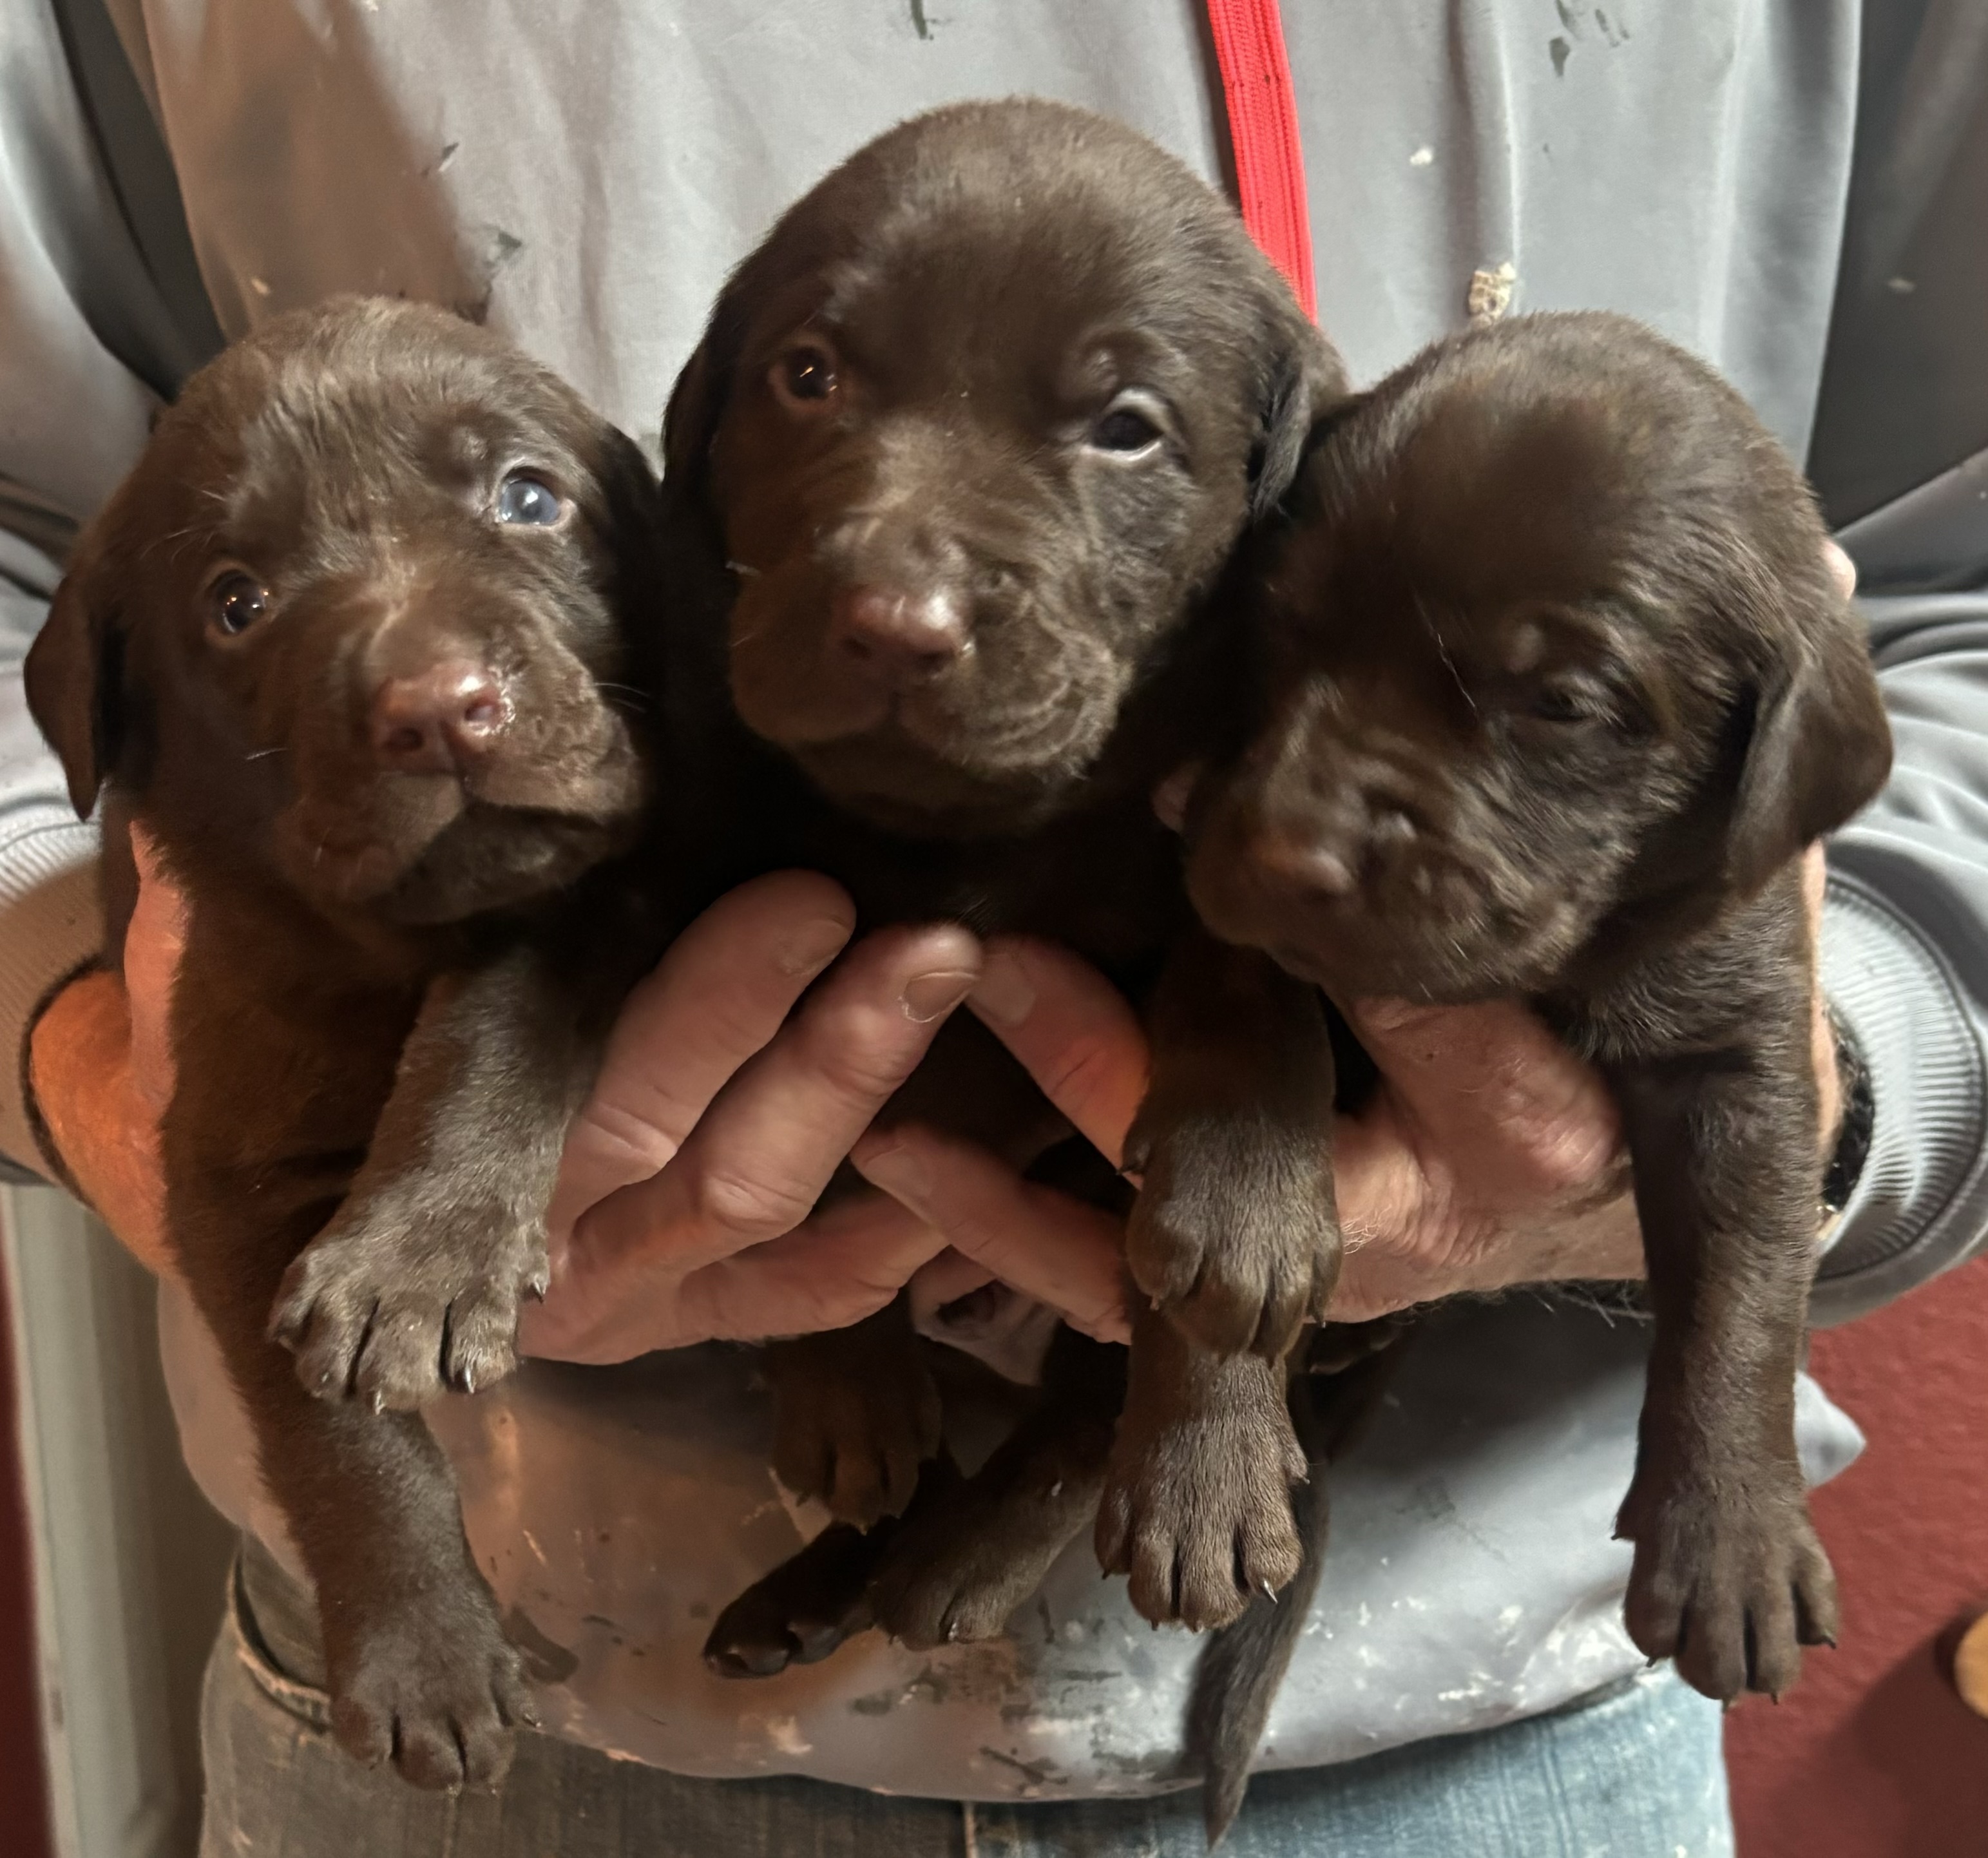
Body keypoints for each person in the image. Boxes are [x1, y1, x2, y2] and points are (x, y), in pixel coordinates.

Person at [4, 2, 1984, 1852]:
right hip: (494, 1686)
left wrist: (1824, 1068)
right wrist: (128, 1082)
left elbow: (1954, 581)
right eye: (806, 382)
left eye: (1123, 431)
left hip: (1501, 1689)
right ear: (687, 445)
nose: (907, 593)